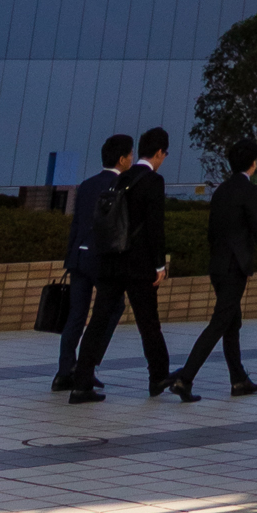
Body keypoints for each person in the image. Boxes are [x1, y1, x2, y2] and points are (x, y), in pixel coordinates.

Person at [170, 134, 257, 400]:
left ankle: (239, 380)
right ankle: (185, 379)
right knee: (220, 323)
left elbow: (212, 232)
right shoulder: (250, 191)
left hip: (218, 266)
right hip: (235, 267)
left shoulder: (221, 191)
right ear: (253, 164)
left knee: (232, 323)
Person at [70, 124, 173, 402]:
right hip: (139, 266)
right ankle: (158, 377)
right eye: (164, 154)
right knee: (148, 323)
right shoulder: (153, 181)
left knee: (98, 322)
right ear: (160, 153)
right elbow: (155, 227)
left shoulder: (120, 179)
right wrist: (160, 265)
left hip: (111, 262)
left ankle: (80, 383)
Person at [51, 135, 134, 393]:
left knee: (76, 315)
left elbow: (76, 225)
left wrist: (70, 257)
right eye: (130, 155)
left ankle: (65, 371)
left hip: (79, 257)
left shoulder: (86, 185)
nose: (132, 159)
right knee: (113, 307)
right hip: (102, 260)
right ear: (122, 159)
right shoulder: (121, 186)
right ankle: (87, 365)